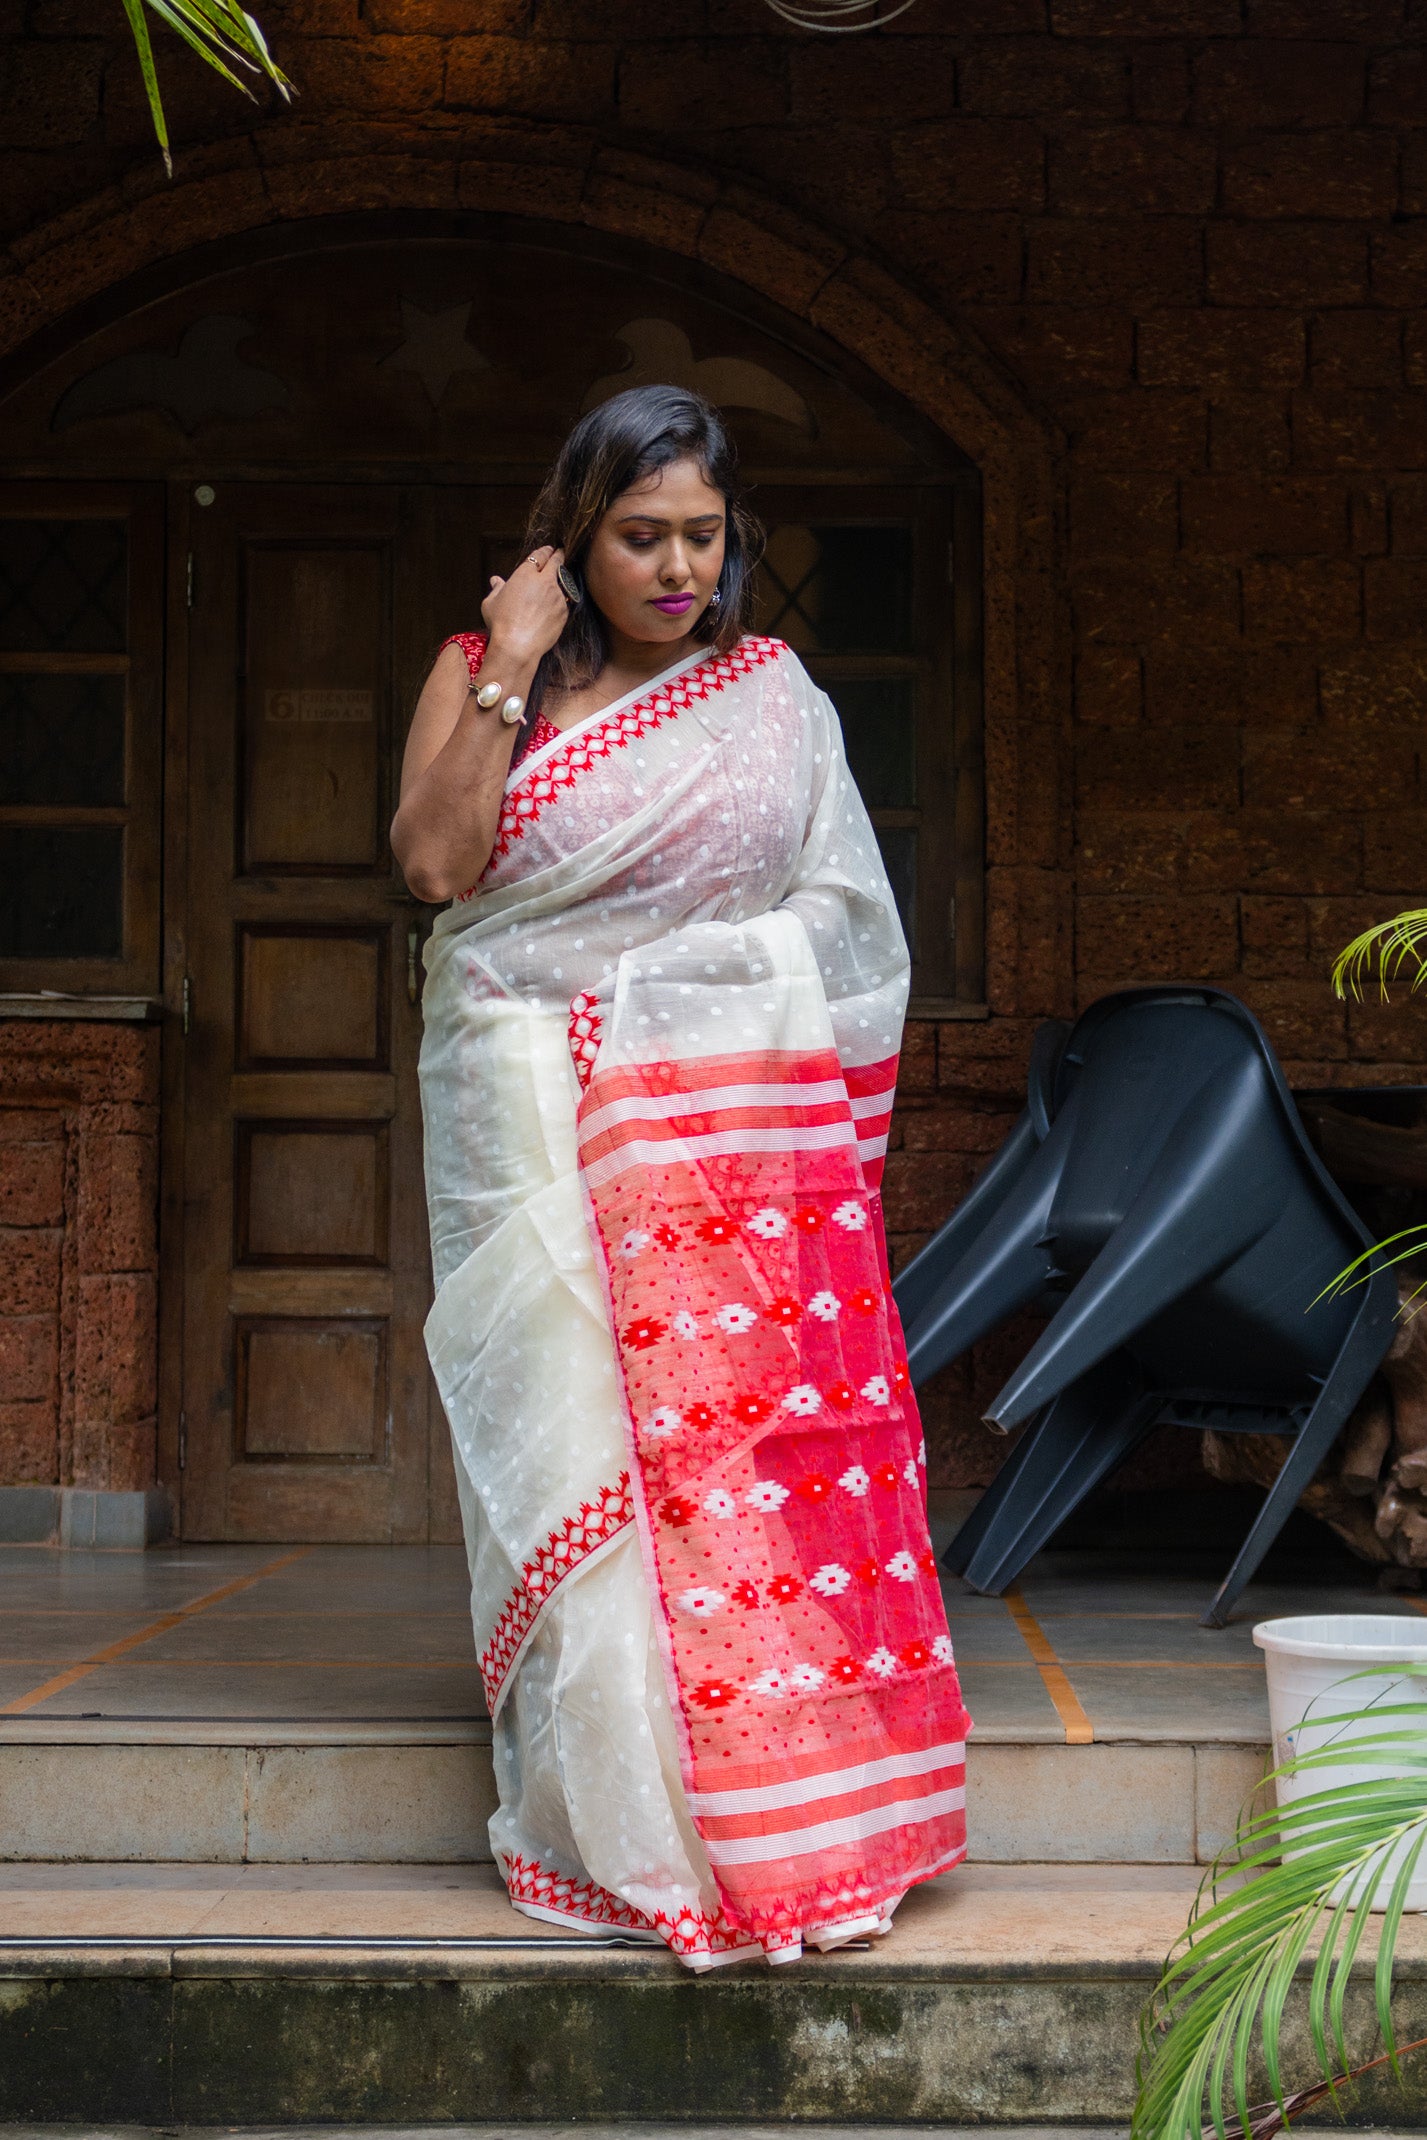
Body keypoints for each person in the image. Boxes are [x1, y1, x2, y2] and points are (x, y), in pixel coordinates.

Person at [392, 384, 970, 1970]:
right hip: (517, 1107)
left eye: (703, 538)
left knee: (722, 1465)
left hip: (707, 1135)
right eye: (639, 536)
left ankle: (773, 1809)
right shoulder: (477, 671)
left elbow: (847, 927)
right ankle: (614, 1823)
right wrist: (509, 655)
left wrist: (663, 1007)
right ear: (573, 538)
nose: (676, 569)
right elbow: (437, 872)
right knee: (576, 1447)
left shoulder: (774, 696)